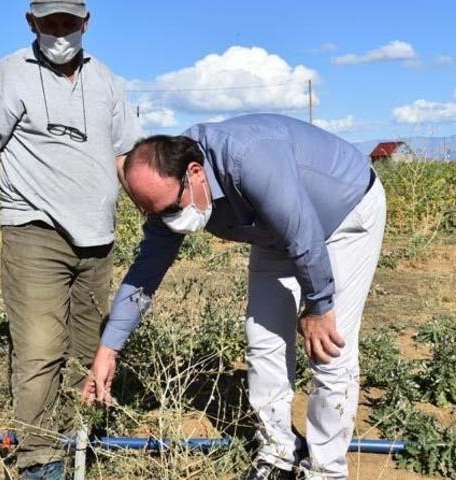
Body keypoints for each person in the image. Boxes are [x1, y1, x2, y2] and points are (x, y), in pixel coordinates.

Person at [82, 114, 387, 480]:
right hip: (274, 231)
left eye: (171, 210)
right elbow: (145, 274)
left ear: (195, 173)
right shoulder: (169, 195)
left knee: (329, 349)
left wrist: (319, 306)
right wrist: (108, 349)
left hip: (344, 216)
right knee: (263, 342)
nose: (169, 220)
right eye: (155, 214)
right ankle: (278, 454)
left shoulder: (249, 159)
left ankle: (326, 469)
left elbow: (304, 234)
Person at [0, 1, 142, 478]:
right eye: (49, 22)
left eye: (69, 23)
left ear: (86, 23)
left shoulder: (107, 82)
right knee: (39, 348)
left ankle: (78, 439)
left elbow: (124, 156)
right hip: (34, 232)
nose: (60, 32)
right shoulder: (11, 73)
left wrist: (151, 205)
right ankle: (40, 460)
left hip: (97, 240)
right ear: (31, 22)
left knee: (87, 350)